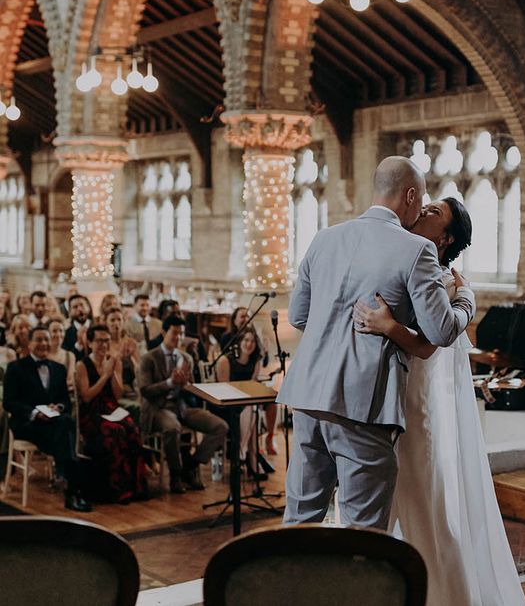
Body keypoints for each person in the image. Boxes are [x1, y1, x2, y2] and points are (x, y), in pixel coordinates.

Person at [278, 156, 476, 529]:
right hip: (363, 407)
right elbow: (442, 332)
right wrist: (467, 302)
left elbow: (298, 316)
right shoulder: (416, 250)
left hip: (307, 397)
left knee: (299, 522)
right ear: (411, 195)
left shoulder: (324, 237)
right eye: (423, 200)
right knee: (363, 532)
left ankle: (291, 587)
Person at [353, 198, 525, 606]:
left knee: (423, 507)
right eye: (426, 205)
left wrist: (389, 326)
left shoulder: (445, 278)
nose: (424, 211)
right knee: (389, 505)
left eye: (434, 213)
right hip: (389, 400)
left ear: (446, 238)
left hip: (416, 405)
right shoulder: (414, 261)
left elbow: (429, 345)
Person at [2, 326, 91, 512]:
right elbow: (9, 402)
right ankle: (72, 485)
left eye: (46, 340)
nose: (43, 344)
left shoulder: (58, 368)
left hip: (53, 423)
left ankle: (69, 483)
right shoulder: (15, 367)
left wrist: (57, 407)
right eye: (39, 339)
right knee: (66, 427)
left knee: (64, 423)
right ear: (30, 342)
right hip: (27, 423)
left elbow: (65, 401)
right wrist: (35, 413)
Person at [138, 315, 228, 494]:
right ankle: (175, 474)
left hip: (181, 406)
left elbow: (190, 391)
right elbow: (145, 390)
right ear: (164, 332)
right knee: (172, 427)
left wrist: (186, 385)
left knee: (220, 426)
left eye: (181, 334)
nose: (178, 338)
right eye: (174, 333)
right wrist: (170, 382)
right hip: (158, 408)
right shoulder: (149, 357)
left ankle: (192, 464)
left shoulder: (186, 357)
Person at [75, 324, 148, 503]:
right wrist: (104, 376)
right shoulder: (82, 365)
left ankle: (136, 486)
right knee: (115, 432)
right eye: (99, 341)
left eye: (106, 341)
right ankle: (117, 488)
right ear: (90, 343)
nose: (103, 345)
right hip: (91, 412)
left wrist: (114, 372)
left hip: (110, 408)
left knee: (132, 429)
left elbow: (117, 395)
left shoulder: (113, 361)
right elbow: (86, 396)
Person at [216, 326, 266, 474]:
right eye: (246, 340)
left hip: (247, 403)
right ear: (239, 341)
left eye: (252, 341)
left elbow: (253, 384)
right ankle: (250, 455)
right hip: (227, 404)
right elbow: (223, 389)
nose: (249, 344)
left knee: (253, 409)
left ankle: (242, 452)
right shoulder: (225, 360)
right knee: (252, 410)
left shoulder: (255, 361)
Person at [47, 318, 76, 393]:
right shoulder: (43, 355)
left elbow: (70, 381)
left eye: (61, 331)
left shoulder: (70, 356)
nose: (58, 334)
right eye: (54, 331)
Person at [62, 294, 92, 361]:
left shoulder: (99, 328)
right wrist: (78, 344)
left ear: (88, 307)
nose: (80, 309)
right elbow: (66, 359)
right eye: (75, 307)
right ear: (69, 312)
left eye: (82, 305)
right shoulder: (65, 334)